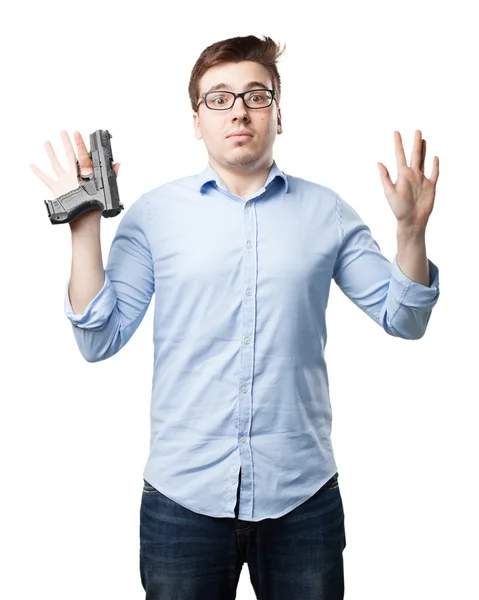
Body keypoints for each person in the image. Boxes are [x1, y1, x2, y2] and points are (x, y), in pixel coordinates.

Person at [30, 35, 440, 600]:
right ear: (196, 120)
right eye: (218, 98)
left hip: (302, 497)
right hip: (183, 499)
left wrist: (411, 233)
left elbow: (405, 318)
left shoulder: (327, 212)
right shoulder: (154, 216)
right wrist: (84, 228)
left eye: (256, 94)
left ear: (278, 111)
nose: (239, 110)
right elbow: (99, 339)